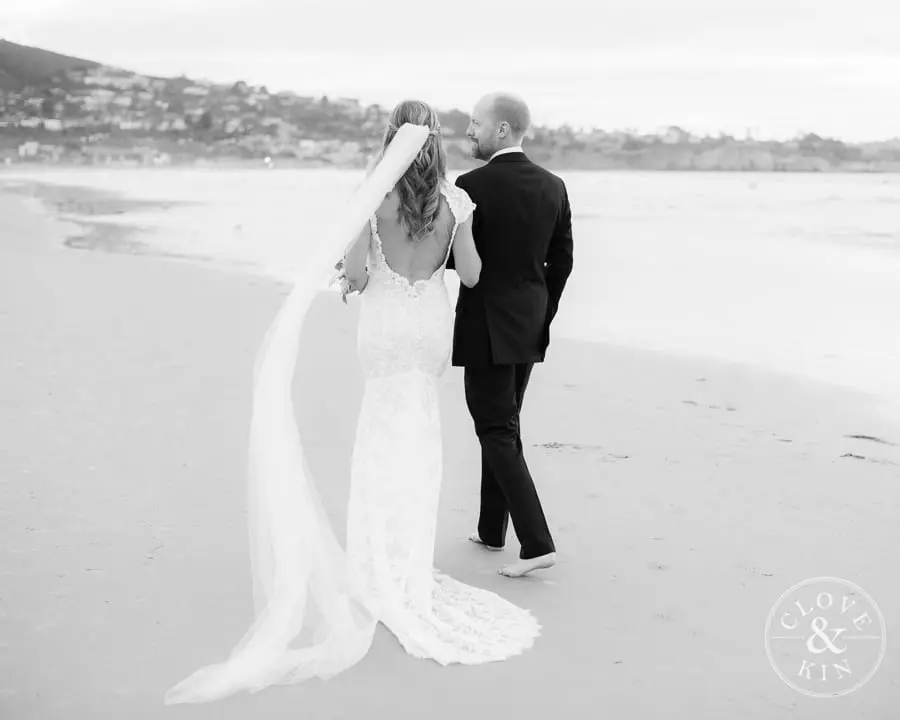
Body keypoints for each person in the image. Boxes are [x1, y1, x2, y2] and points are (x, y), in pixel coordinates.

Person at [164, 100, 540, 705]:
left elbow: (359, 276)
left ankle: (375, 565)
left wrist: (350, 275)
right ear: (436, 143)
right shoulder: (458, 203)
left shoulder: (374, 197)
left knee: (378, 440)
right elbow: (469, 276)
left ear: (391, 140)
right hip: (428, 332)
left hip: (385, 330)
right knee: (422, 441)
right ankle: (409, 566)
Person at [448, 92, 574, 578]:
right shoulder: (553, 186)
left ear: (501, 130)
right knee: (505, 425)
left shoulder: (470, 184)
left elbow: (464, 259)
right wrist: (543, 313)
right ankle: (491, 527)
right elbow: (561, 262)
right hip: (529, 325)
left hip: (485, 325)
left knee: (495, 430)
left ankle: (537, 542)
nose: (469, 132)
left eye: (476, 124)